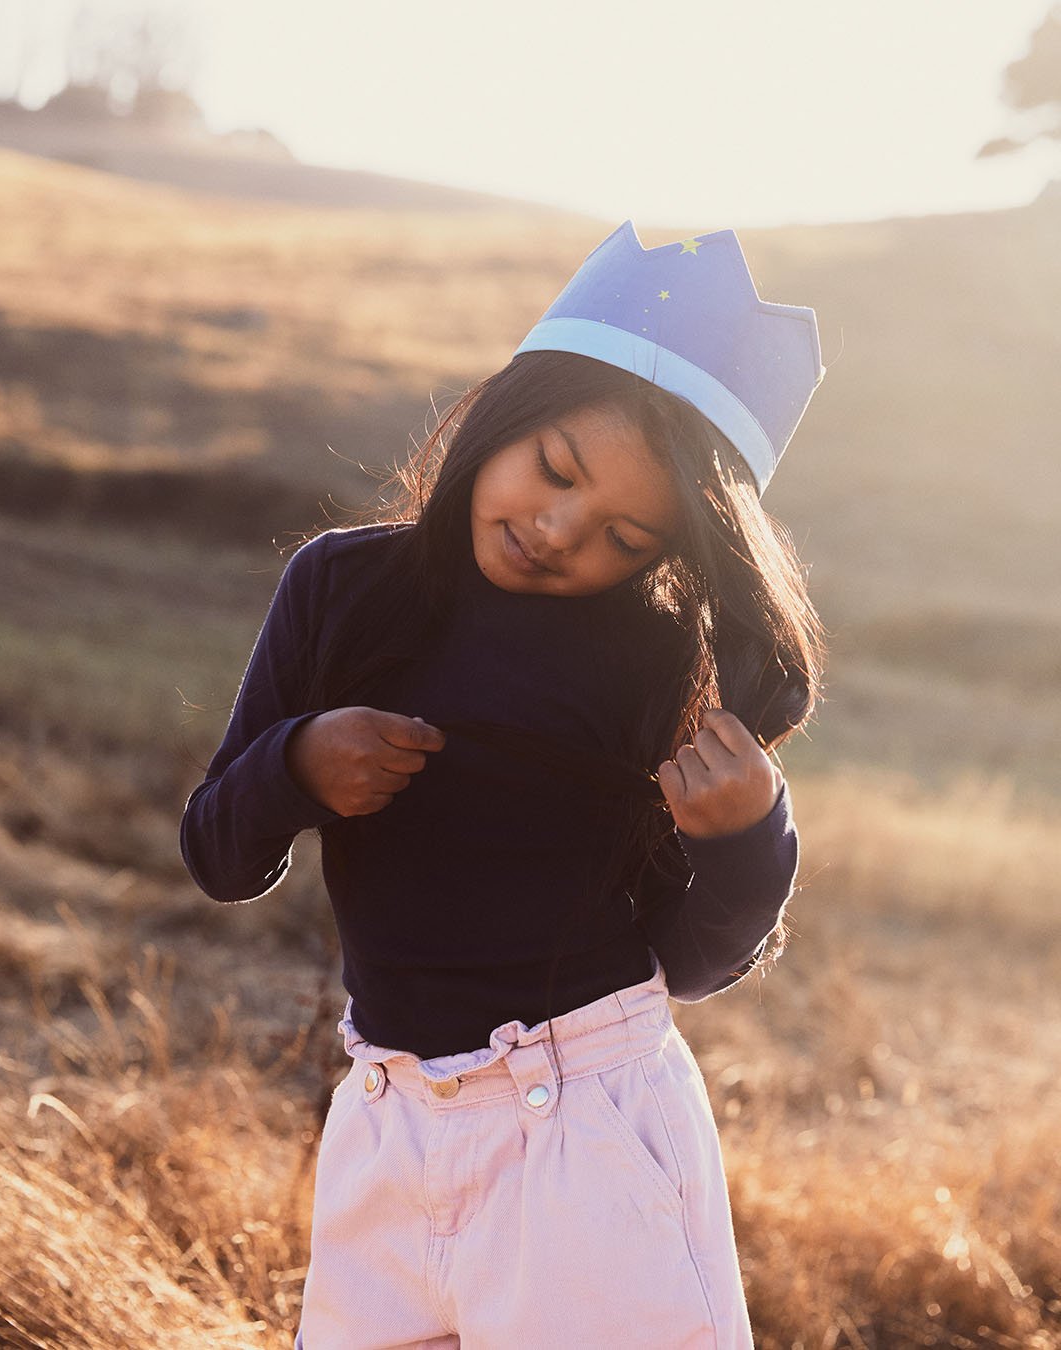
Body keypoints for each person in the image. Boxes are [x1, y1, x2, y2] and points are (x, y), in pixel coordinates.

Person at [180, 220, 826, 1349]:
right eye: (555, 471)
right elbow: (219, 854)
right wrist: (298, 763)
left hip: (586, 1129)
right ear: (502, 417)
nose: (557, 530)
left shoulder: (656, 660)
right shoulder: (341, 590)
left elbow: (691, 959)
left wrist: (746, 840)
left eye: (625, 535)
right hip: (385, 1124)